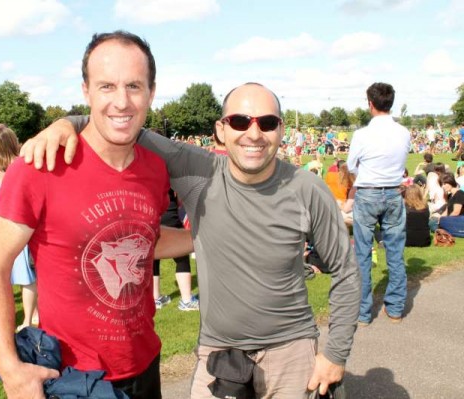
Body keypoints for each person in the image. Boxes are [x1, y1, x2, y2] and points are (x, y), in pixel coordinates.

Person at [25, 82, 361, 398]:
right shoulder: (200, 170)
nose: (254, 134)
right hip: (218, 351)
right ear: (221, 129)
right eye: (240, 121)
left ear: (282, 130)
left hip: (291, 351)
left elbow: (345, 271)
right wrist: (66, 123)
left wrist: (335, 354)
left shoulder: (307, 189)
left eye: (267, 122)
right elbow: (126, 127)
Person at [0, 31, 192, 399]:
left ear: (151, 93)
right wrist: (11, 370)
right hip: (77, 380)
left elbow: (144, 241)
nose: (121, 101)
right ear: (86, 91)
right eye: (107, 86)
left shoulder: (155, 170)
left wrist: (204, 237)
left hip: (145, 366)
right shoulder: (39, 166)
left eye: (134, 87)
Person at [347, 82, 410, 325]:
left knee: (362, 253)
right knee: (395, 252)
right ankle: (394, 309)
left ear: (370, 104)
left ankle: (363, 313)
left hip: (368, 192)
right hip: (393, 192)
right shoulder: (403, 133)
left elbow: (352, 166)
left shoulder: (362, 135)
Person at [0, 124, 38, 331]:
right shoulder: (24, 164)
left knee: (6, 273)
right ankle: (30, 316)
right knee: (28, 275)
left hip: (1, 227)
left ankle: (28, 317)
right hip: (23, 225)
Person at [153, 189, 199, 311]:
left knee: (154, 257)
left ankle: (156, 299)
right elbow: (180, 198)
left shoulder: (148, 175)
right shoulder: (168, 174)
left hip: (153, 217)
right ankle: (186, 300)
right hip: (170, 216)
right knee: (182, 256)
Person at [437, 173, 464, 237]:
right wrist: (440, 218)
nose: (443, 186)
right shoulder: (450, 195)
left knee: (434, 224)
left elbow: (456, 212)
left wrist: (446, 220)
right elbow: (447, 210)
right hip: (452, 220)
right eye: (442, 185)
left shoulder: (459, 194)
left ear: (451, 182)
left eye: (445, 184)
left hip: (458, 220)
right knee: (434, 221)